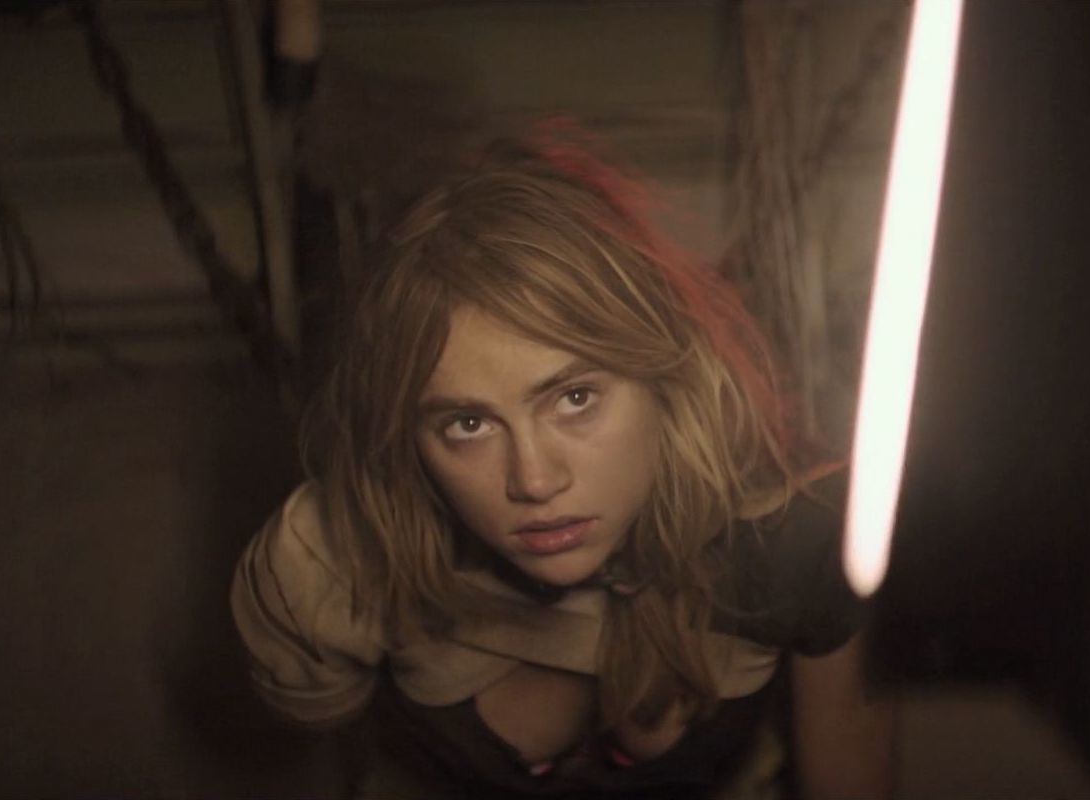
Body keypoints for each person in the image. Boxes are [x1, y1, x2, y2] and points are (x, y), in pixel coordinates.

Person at [230, 126, 895, 799]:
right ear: (406, 437)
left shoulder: (793, 539)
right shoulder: (332, 564)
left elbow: (848, 779)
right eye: (468, 424)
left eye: (575, 398)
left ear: (665, 378)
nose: (535, 481)